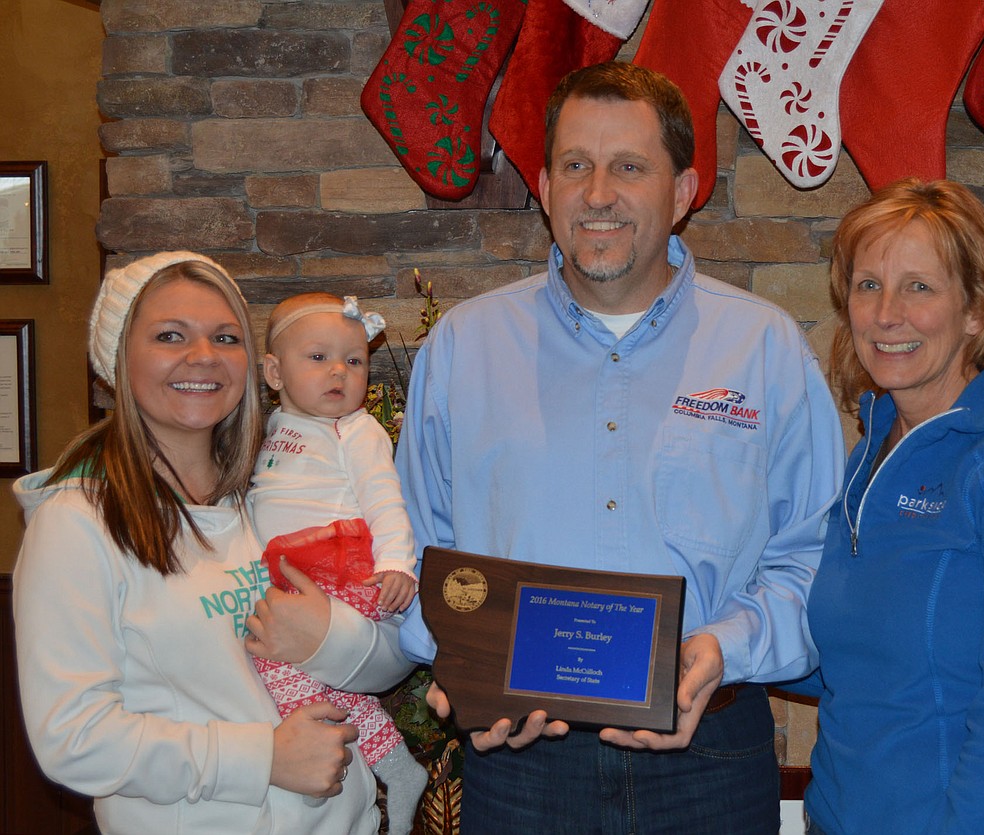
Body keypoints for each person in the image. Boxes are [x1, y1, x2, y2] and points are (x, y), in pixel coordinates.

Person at [395, 61, 844, 834]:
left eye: (629, 167)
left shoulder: (765, 349)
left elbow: (815, 558)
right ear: (542, 186)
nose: (598, 193)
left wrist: (723, 647)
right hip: (518, 762)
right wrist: (461, 667)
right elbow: (413, 549)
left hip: (709, 751)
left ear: (683, 191)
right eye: (576, 165)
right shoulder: (463, 349)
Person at [12, 251, 413, 835]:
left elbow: (392, 658)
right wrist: (262, 760)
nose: (203, 357)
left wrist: (327, 636)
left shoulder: (270, 499)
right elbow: (73, 738)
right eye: (170, 335)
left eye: (225, 337)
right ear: (117, 361)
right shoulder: (77, 525)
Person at [796, 179, 984, 834]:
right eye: (868, 284)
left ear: (976, 313)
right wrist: (706, 642)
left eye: (919, 287)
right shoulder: (872, 450)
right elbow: (853, 660)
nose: (885, 313)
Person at [248, 291, 428, 834]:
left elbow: (386, 500)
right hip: (299, 573)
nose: (339, 373)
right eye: (318, 357)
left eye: (354, 361)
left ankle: (324, 761)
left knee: (274, 662)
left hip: (344, 564)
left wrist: (399, 562)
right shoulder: (272, 430)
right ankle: (393, 764)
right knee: (321, 681)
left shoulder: (356, 430)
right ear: (274, 372)